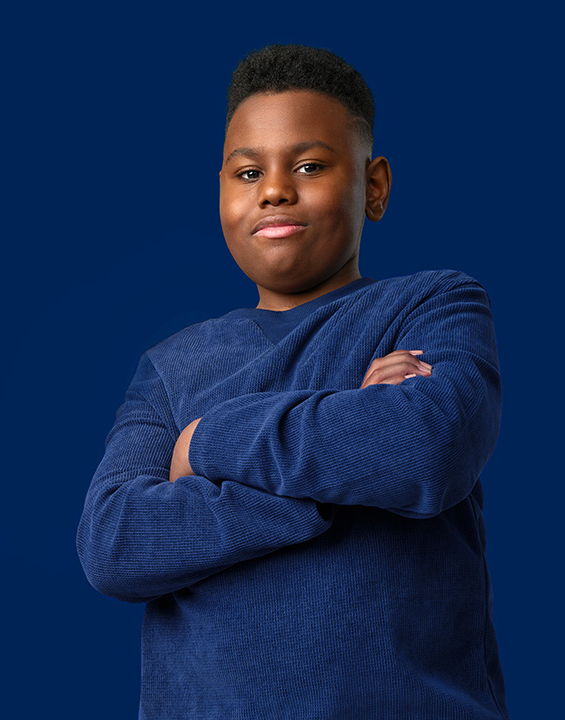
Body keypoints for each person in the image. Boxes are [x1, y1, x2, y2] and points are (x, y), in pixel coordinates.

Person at [77, 44, 510, 719]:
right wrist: (348, 449)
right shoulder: (171, 367)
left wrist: (205, 443)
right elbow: (115, 542)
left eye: (309, 165)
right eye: (248, 171)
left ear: (374, 185)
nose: (275, 188)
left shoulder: (432, 305)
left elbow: (429, 445)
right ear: (220, 190)